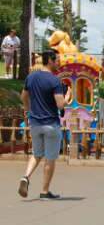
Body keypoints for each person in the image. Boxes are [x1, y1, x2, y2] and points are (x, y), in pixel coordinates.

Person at [18, 50, 71, 199]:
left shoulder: (31, 77)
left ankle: (26, 177)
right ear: (50, 61)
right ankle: (44, 191)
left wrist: (28, 111)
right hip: (51, 124)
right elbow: (60, 105)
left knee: (37, 154)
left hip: (35, 123)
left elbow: (24, 96)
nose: (58, 63)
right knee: (50, 157)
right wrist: (67, 97)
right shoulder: (54, 81)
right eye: (57, 60)